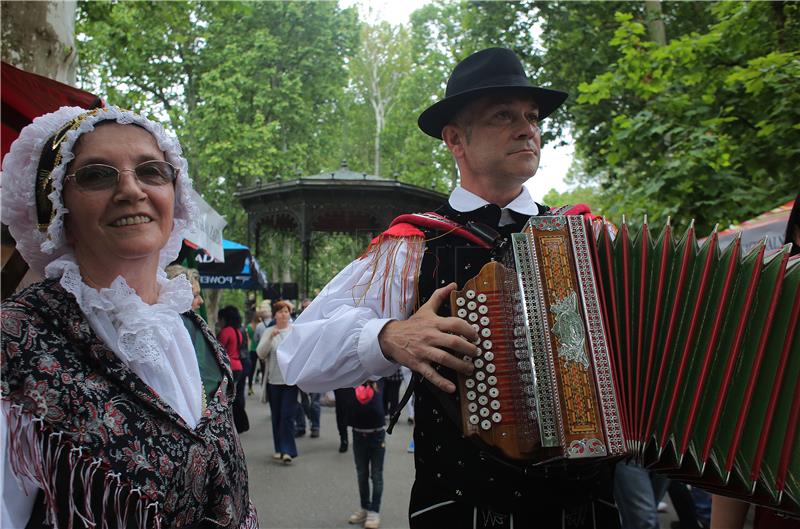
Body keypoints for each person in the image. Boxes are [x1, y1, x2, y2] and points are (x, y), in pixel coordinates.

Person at [279, 47, 617, 528]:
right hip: (466, 511)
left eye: (532, 116)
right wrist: (387, 337)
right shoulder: (414, 244)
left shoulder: (584, 239)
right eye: (504, 115)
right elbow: (297, 354)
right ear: (456, 140)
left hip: (593, 511)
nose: (527, 129)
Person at [0, 105, 257, 527]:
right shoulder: (13, 342)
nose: (131, 190)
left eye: (151, 171)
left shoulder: (191, 329)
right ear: (57, 206)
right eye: (97, 174)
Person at [256, 300, 297, 463]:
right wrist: (269, 339)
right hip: (274, 381)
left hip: (290, 381)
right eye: (280, 312)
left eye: (286, 311)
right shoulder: (269, 331)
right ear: (275, 315)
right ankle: (279, 448)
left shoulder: (295, 331)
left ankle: (288, 450)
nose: (283, 314)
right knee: (277, 416)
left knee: (287, 416)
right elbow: (260, 353)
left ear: (290, 314)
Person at [347, 380, 386, 529]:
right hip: (358, 433)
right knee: (361, 474)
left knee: (376, 475)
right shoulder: (353, 378)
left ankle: (374, 511)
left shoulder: (380, 377)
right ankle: (365, 507)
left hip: (377, 434)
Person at [218, 305, 250, 433]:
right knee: (236, 396)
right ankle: (240, 423)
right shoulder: (238, 331)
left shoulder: (226, 332)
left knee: (225, 398)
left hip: (228, 368)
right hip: (238, 367)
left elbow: (218, 349)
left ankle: (234, 423)